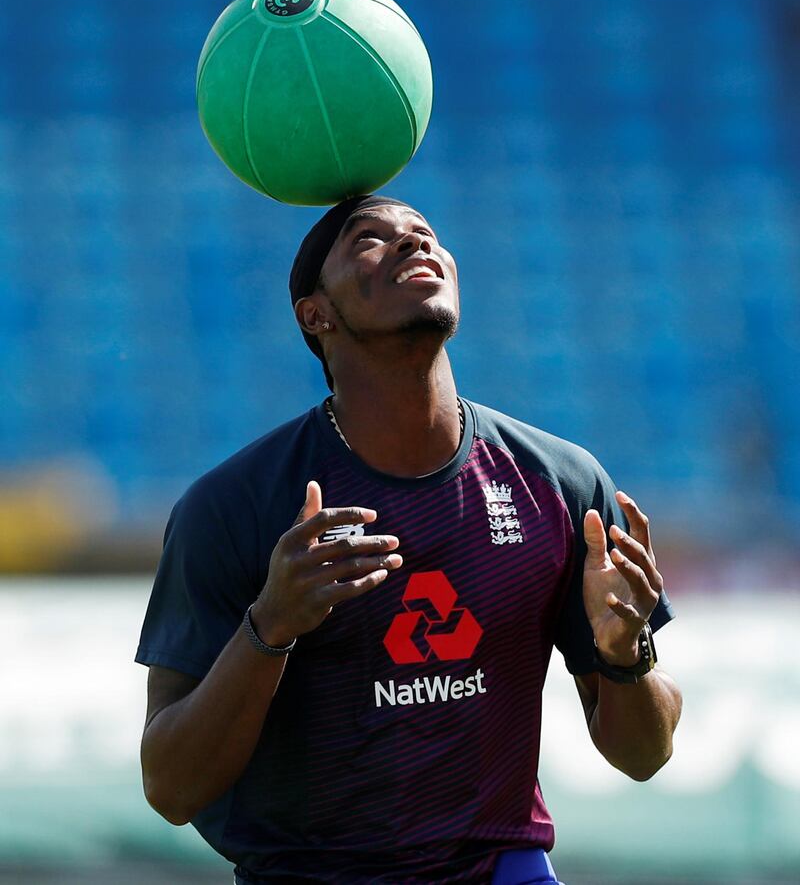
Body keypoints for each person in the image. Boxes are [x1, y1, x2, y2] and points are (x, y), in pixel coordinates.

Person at [135, 195, 682, 885]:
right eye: (370, 239)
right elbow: (171, 788)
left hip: (500, 868)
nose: (413, 245)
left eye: (425, 235)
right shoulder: (234, 505)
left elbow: (643, 756)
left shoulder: (563, 485)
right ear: (316, 313)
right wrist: (269, 626)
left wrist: (625, 655)